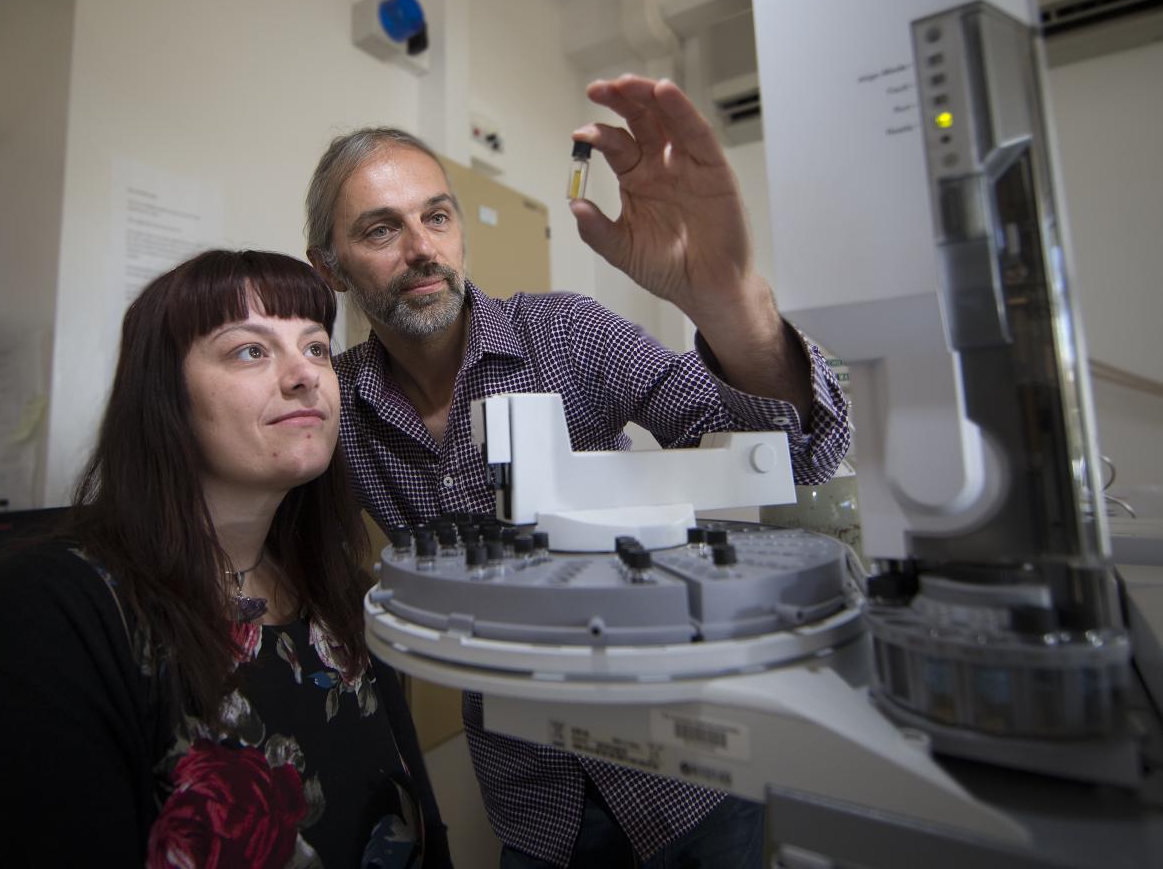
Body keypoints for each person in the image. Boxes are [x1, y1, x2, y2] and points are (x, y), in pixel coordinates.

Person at [304, 76, 851, 868]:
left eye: (437, 216)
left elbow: (799, 453)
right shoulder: (340, 405)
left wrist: (730, 302)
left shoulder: (565, 335)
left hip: (686, 775)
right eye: (382, 229)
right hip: (536, 805)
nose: (422, 247)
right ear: (332, 268)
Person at [0, 250, 451, 868]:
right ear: (164, 397)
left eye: (315, 348)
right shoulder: (32, 621)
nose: (305, 374)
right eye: (250, 350)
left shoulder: (340, 599)